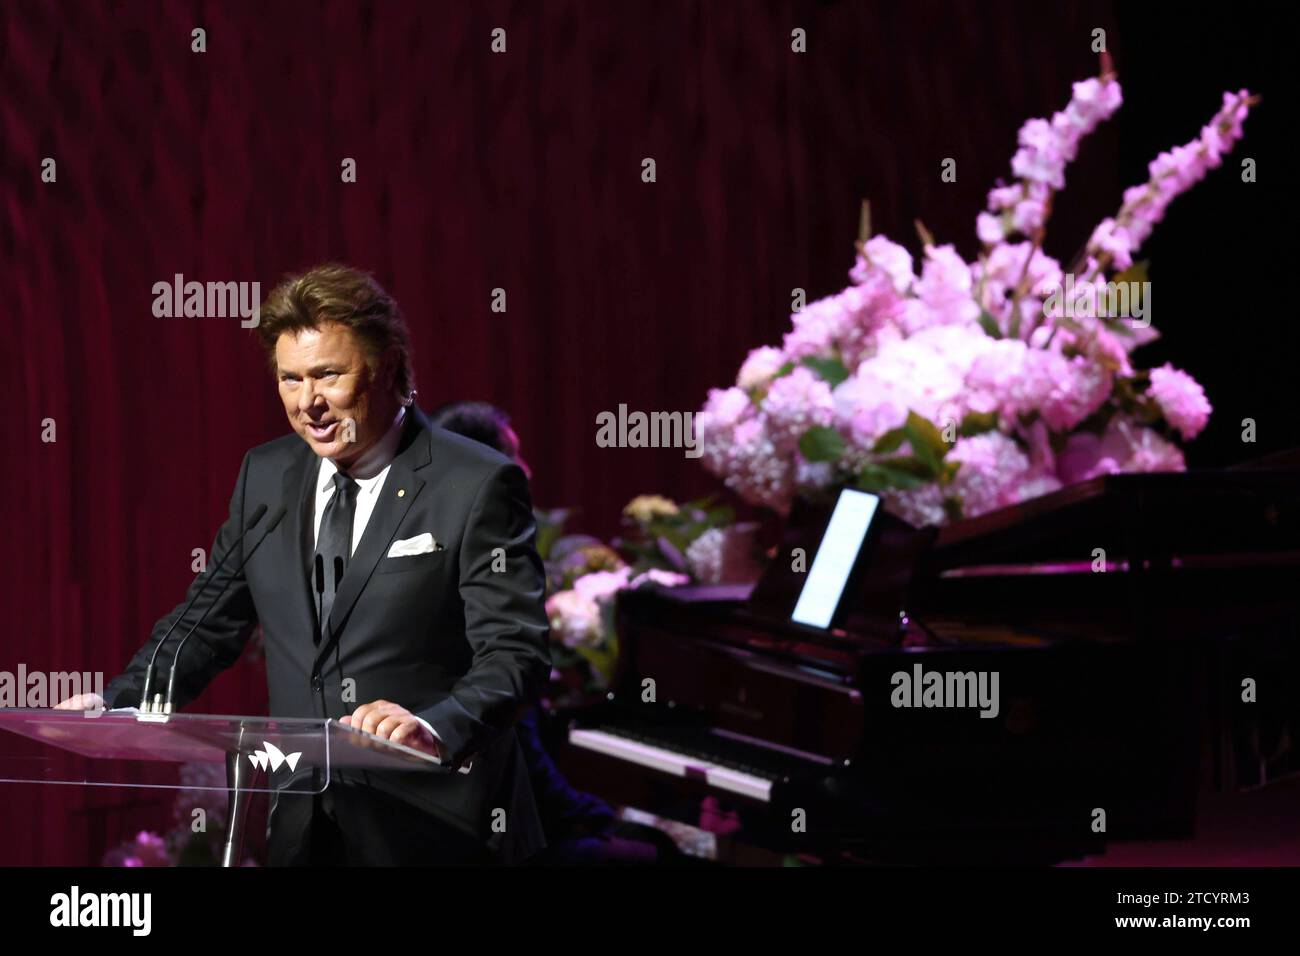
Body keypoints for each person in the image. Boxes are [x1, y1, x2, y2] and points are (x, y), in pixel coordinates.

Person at [56, 264, 552, 866]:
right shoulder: (267, 477)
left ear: (390, 367)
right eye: (289, 379)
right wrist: (122, 705)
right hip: (306, 829)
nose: (307, 403)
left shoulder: (473, 482)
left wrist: (435, 725)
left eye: (327, 375)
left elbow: (515, 654)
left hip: (440, 826)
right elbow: (208, 620)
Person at [430, 401, 681, 865]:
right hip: (507, 843)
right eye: (514, 456)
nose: (525, 469)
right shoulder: (486, 576)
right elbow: (520, 757)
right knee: (657, 853)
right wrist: (602, 817)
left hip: (451, 831)